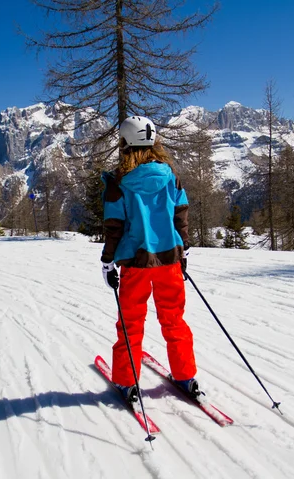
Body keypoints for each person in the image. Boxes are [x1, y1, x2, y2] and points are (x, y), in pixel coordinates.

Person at [100, 115, 200, 403]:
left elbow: (114, 226)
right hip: (169, 259)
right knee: (174, 320)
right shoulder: (170, 175)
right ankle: (186, 376)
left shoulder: (120, 183)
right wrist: (185, 248)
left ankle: (127, 382)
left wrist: (108, 262)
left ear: (125, 143)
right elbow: (180, 213)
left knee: (131, 324)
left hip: (136, 263)